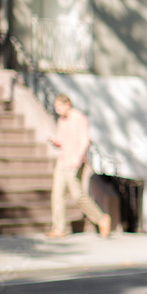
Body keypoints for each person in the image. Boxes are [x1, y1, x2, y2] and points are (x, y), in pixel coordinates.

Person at [46, 94, 111, 239]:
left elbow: (84, 140)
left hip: (74, 163)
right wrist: (55, 142)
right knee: (57, 194)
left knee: (77, 195)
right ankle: (58, 228)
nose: (57, 111)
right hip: (62, 161)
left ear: (67, 104)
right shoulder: (61, 121)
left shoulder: (79, 118)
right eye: (56, 108)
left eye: (59, 107)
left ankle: (101, 219)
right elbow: (63, 140)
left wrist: (77, 158)